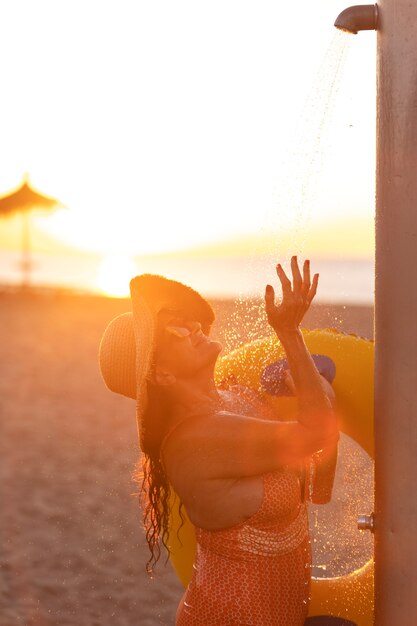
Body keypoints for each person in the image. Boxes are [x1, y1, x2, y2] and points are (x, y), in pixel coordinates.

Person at [99, 257, 339, 626]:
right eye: (174, 330)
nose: (192, 326)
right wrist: (290, 333)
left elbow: (318, 486)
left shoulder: (237, 398)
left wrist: (321, 396)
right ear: (160, 373)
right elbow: (315, 434)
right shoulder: (194, 440)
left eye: (186, 319)